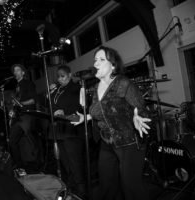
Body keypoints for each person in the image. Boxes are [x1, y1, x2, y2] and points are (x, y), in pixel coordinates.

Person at [72, 46, 152, 200]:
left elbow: (140, 108)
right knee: (107, 185)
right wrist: (85, 117)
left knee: (131, 187)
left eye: (101, 59)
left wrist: (138, 117)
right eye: (95, 60)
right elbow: (99, 111)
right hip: (107, 142)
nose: (96, 63)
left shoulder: (122, 83)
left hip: (129, 141)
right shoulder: (95, 88)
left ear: (113, 65)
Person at [48, 65, 86, 197]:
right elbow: (50, 105)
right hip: (60, 131)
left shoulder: (76, 88)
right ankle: (71, 188)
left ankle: (81, 191)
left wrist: (65, 111)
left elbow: (81, 108)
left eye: (62, 76)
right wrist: (50, 94)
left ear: (69, 75)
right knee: (65, 163)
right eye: (58, 76)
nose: (60, 79)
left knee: (75, 162)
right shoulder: (57, 90)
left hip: (72, 130)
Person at [9, 63, 40, 172]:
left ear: (23, 72)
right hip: (18, 117)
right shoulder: (17, 87)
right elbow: (16, 104)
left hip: (27, 116)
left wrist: (20, 103)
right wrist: (12, 111)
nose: (15, 72)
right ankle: (24, 165)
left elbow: (33, 100)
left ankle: (21, 165)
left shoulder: (28, 83)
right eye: (14, 71)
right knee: (23, 142)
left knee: (15, 141)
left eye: (18, 70)